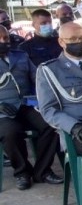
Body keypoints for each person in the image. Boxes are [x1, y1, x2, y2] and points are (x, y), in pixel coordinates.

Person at [36, 22, 82, 196]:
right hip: (79, 129)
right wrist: (73, 126)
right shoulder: (49, 70)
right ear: (61, 42)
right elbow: (48, 110)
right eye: (73, 39)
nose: (79, 42)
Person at [0, 26, 62, 190]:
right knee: (10, 133)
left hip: (26, 105)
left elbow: (37, 79)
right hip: (2, 112)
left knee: (51, 124)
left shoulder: (20, 56)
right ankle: (22, 172)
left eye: (5, 38)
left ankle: (42, 171)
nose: (3, 42)